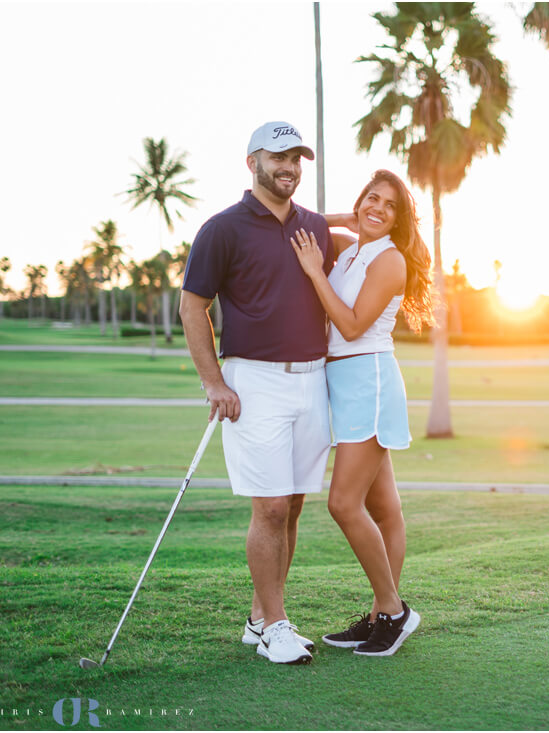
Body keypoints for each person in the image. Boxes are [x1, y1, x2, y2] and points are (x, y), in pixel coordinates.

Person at [179, 121, 335, 665]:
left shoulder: (315, 227)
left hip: (312, 381)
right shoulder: (221, 229)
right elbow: (192, 306)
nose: (289, 166)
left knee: (290, 507)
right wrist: (213, 381)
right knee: (268, 507)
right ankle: (275, 625)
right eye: (278, 157)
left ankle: (257, 619)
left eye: (296, 158)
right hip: (254, 382)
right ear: (252, 162)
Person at [289, 169, 432, 657]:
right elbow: (301, 222)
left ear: (400, 219)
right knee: (384, 509)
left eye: (390, 205)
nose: (378, 209)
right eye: (372, 198)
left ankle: (393, 612)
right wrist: (354, 215)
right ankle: (378, 615)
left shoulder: (390, 260)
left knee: (343, 504)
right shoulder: (351, 247)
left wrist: (313, 271)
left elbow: (349, 326)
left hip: (368, 382)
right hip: (345, 385)